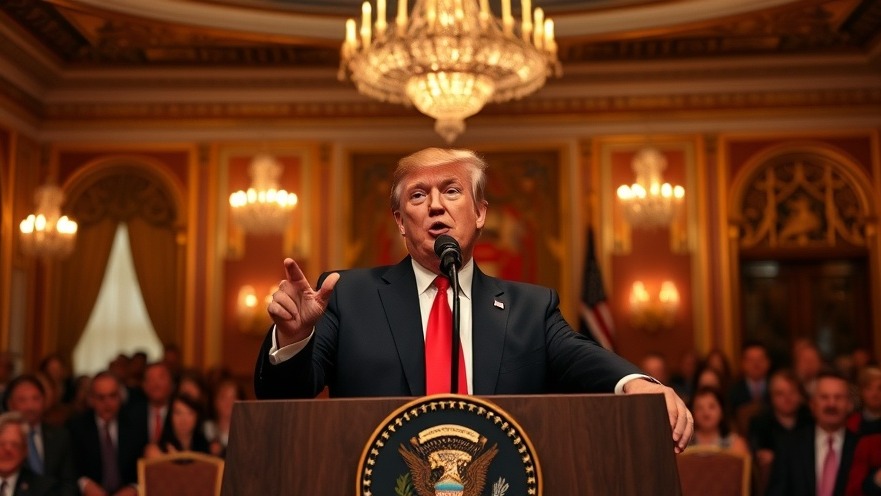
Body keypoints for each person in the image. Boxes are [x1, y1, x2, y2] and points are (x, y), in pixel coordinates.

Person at [254, 147, 693, 452]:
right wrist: (292, 337)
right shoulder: (349, 296)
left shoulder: (530, 308)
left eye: (451, 190)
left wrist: (638, 383)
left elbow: (584, 358)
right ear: (400, 222)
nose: (435, 207)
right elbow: (281, 398)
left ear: (480, 212)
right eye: (418, 196)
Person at [766, 372, 859, 496]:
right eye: (824, 397)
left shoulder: (861, 445)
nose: (831, 404)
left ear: (849, 405)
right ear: (812, 405)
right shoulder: (790, 445)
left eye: (838, 397)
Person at [66, 372, 147, 496]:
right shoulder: (77, 427)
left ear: (120, 397)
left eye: (112, 396)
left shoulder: (135, 425)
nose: (107, 403)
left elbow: (143, 466)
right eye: (101, 398)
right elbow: (71, 468)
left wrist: (133, 488)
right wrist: (85, 484)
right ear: (91, 399)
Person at [3, 375, 78, 496]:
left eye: (36, 399)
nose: (30, 406)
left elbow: (69, 482)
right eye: (22, 400)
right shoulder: (4, 438)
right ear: (10, 404)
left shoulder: (60, 436)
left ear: (44, 401)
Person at [0, 412, 59, 496]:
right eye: (1, 444)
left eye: (15, 445)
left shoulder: (44, 489)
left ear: (25, 450)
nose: (7, 450)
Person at [686, 386, 749, 457]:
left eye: (711, 407)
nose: (706, 413)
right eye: (700, 408)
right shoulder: (684, 444)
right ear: (692, 413)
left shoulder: (736, 444)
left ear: (722, 411)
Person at [143, 393, 211, 458]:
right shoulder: (155, 451)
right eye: (178, 413)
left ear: (197, 417)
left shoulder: (204, 447)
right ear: (170, 416)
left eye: (190, 413)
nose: (184, 420)